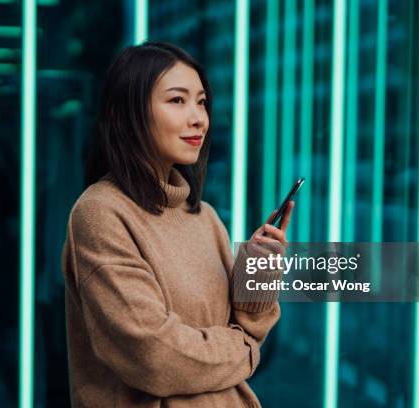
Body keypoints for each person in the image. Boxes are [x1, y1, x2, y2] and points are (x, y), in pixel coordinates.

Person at [61, 41, 294, 407]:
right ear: (126, 114)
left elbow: (250, 326)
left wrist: (258, 271)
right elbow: (154, 356)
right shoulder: (100, 214)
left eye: (201, 101)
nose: (198, 117)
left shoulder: (204, 217)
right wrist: (243, 350)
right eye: (177, 100)